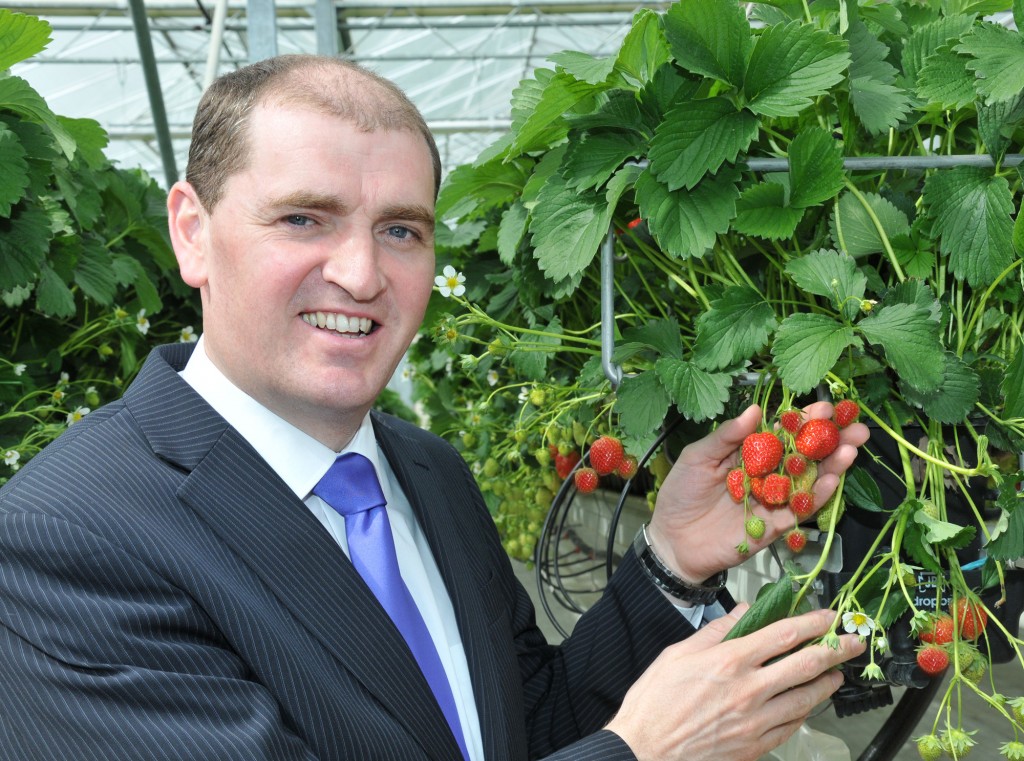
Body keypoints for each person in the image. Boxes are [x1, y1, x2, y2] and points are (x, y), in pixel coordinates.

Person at [0, 54, 869, 761]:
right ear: (191, 230)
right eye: (304, 218)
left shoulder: (427, 472)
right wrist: (642, 755)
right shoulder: (66, 536)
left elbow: (532, 725)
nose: (361, 273)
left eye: (402, 229)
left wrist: (671, 560)